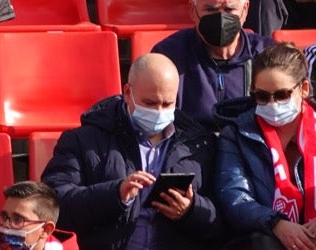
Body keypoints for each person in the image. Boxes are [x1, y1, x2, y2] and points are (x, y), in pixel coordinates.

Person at [42, 53, 225, 250]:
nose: (158, 111)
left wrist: (191, 210)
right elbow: (52, 204)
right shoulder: (83, 140)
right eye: (149, 103)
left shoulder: (199, 144)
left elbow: (223, 223)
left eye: (167, 104)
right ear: (128, 92)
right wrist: (115, 195)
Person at [213, 43, 316, 249]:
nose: (273, 104)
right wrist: (276, 223)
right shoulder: (236, 134)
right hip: (264, 240)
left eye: (282, 95)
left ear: (303, 89)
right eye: (262, 96)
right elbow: (233, 196)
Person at [151, 0, 272, 130]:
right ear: (193, 11)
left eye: (229, 9)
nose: (221, 18)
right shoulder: (168, 55)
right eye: (210, 10)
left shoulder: (268, 55)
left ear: (245, 11)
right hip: (189, 150)